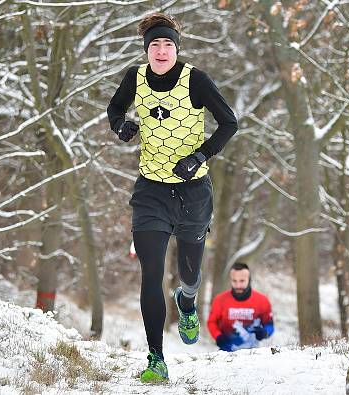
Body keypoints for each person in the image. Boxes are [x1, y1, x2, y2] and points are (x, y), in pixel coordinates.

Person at [107, 12, 238, 383]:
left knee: (188, 272)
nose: (161, 51)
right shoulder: (134, 78)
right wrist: (121, 125)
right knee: (152, 272)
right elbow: (115, 109)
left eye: (167, 45)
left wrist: (200, 156)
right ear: (146, 49)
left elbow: (230, 122)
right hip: (151, 190)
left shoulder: (195, 79)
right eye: (154, 45)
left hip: (193, 190)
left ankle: (188, 300)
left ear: (176, 49)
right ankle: (156, 359)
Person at [207, 262, 274, 352]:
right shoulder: (220, 299)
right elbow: (211, 322)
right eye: (234, 281)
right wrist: (218, 336)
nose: (238, 285)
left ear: (249, 280)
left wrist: (265, 333)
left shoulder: (262, 300)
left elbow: (269, 324)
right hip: (227, 352)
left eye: (242, 281)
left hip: (254, 352)